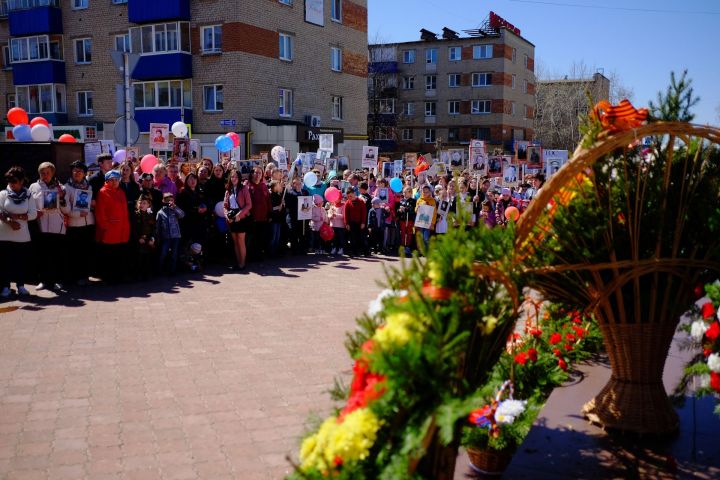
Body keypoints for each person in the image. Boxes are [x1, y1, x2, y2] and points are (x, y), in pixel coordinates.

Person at [29, 162, 70, 291]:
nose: (45, 175)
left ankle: (58, 280)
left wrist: (62, 197)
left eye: (47, 172)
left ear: (52, 173)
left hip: (57, 226)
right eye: (42, 173)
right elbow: (30, 205)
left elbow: (67, 209)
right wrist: (36, 212)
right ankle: (44, 281)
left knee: (57, 255)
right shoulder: (33, 187)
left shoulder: (61, 187)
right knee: (42, 255)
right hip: (40, 226)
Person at [0, 166, 37, 298]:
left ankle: (20, 286)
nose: (11, 184)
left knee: (20, 262)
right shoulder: (3, 194)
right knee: (5, 262)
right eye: (10, 182)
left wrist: (18, 217)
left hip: (22, 235)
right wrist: (10, 222)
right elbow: (0, 212)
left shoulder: (28, 194)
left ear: (22, 181)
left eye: (14, 182)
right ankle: (5, 287)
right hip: (4, 234)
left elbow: (33, 214)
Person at [94, 170, 131, 283]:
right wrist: (105, 227)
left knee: (119, 253)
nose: (114, 182)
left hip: (121, 228)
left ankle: (118, 276)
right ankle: (108, 277)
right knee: (109, 254)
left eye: (116, 180)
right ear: (107, 181)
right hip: (110, 230)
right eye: (112, 180)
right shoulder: (103, 192)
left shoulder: (121, 192)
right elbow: (100, 213)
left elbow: (124, 211)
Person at [65, 160, 95, 286]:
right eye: (75, 170)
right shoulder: (66, 187)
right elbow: (65, 208)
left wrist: (93, 204)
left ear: (84, 173)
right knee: (75, 253)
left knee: (86, 252)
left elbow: (90, 204)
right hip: (74, 224)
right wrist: (77, 214)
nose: (77, 173)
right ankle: (75, 277)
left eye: (80, 171)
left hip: (88, 223)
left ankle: (85, 276)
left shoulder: (89, 186)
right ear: (71, 172)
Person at [223, 169, 252, 271]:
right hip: (232, 216)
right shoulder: (228, 190)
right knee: (235, 241)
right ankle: (238, 261)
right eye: (232, 177)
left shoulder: (244, 189)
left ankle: (242, 263)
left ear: (239, 178)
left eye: (235, 177)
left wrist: (239, 215)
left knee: (241, 240)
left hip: (241, 216)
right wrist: (227, 216)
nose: (233, 179)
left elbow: (249, 205)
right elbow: (225, 206)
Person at [176, 173, 208, 250]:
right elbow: (181, 209)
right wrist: (196, 209)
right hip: (187, 224)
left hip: (199, 223)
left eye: (194, 178)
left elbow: (204, 204)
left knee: (198, 245)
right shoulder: (182, 193)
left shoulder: (200, 192)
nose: (193, 180)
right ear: (186, 181)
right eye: (190, 178)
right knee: (187, 245)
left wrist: (205, 208)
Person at [155, 192, 185, 275]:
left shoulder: (174, 210)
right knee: (163, 253)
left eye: (171, 200)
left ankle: (173, 270)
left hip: (176, 235)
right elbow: (157, 226)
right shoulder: (160, 212)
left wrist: (175, 207)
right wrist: (158, 237)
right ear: (163, 201)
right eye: (167, 200)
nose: (169, 202)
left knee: (174, 254)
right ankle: (160, 269)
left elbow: (182, 215)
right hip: (166, 237)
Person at [247, 166, 271, 260]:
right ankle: (250, 256)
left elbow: (268, 200)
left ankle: (258, 255)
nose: (257, 175)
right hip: (252, 217)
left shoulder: (263, 186)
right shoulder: (248, 185)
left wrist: (270, 213)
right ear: (252, 174)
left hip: (263, 217)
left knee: (261, 237)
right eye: (256, 173)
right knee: (252, 238)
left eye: (259, 173)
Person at [132, 196, 156, 280]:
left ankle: (146, 274)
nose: (141, 205)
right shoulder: (135, 214)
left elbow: (153, 228)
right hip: (139, 240)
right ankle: (137, 275)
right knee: (139, 258)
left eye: (144, 203)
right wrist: (138, 238)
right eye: (140, 203)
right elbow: (133, 228)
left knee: (147, 258)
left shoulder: (150, 214)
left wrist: (152, 238)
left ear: (148, 205)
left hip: (148, 239)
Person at [344, 188, 368, 256]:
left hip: (360, 223)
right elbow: (346, 214)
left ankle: (364, 251)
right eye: (348, 196)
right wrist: (347, 224)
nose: (349, 198)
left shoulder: (361, 201)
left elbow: (364, 213)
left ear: (354, 194)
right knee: (352, 238)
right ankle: (354, 252)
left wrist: (363, 222)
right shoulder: (347, 203)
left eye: (350, 196)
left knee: (362, 238)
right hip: (352, 223)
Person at [415, 185, 437, 250]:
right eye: (424, 192)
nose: (425, 193)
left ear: (430, 192)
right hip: (421, 222)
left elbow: (434, 213)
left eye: (427, 192)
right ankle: (421, 250)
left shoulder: (432, 201)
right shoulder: (419, 200)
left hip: (428, 223)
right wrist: (420, 206)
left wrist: (432, 223)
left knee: (426, 237)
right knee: (421, 237)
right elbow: (416, 210)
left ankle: (426, 250)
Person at [397, 186, 416, 255]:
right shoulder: (401, 200)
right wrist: (399, 210)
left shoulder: (413, 201)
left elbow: (412, 210)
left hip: (409, 220)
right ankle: (403, 246)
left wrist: (405, 209)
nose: (404, 194)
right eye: (403, 192)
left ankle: (407, 247)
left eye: (406, 192)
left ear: (410, 193)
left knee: (409, 234)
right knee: (402, 233)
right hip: (403, 219)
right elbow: (398, 210)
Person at [269, 180, 285, 255]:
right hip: (274, 218)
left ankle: (276, 250)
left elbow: (281, 207)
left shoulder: (279, 195)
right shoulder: (271, 195)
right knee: (273, 236)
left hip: (279, 218)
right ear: (274, 187)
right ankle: (271, 251)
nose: (279, 186)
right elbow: (270, 208)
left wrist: (283, 204)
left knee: (277, 236)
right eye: (278, 185)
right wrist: (277, 207)